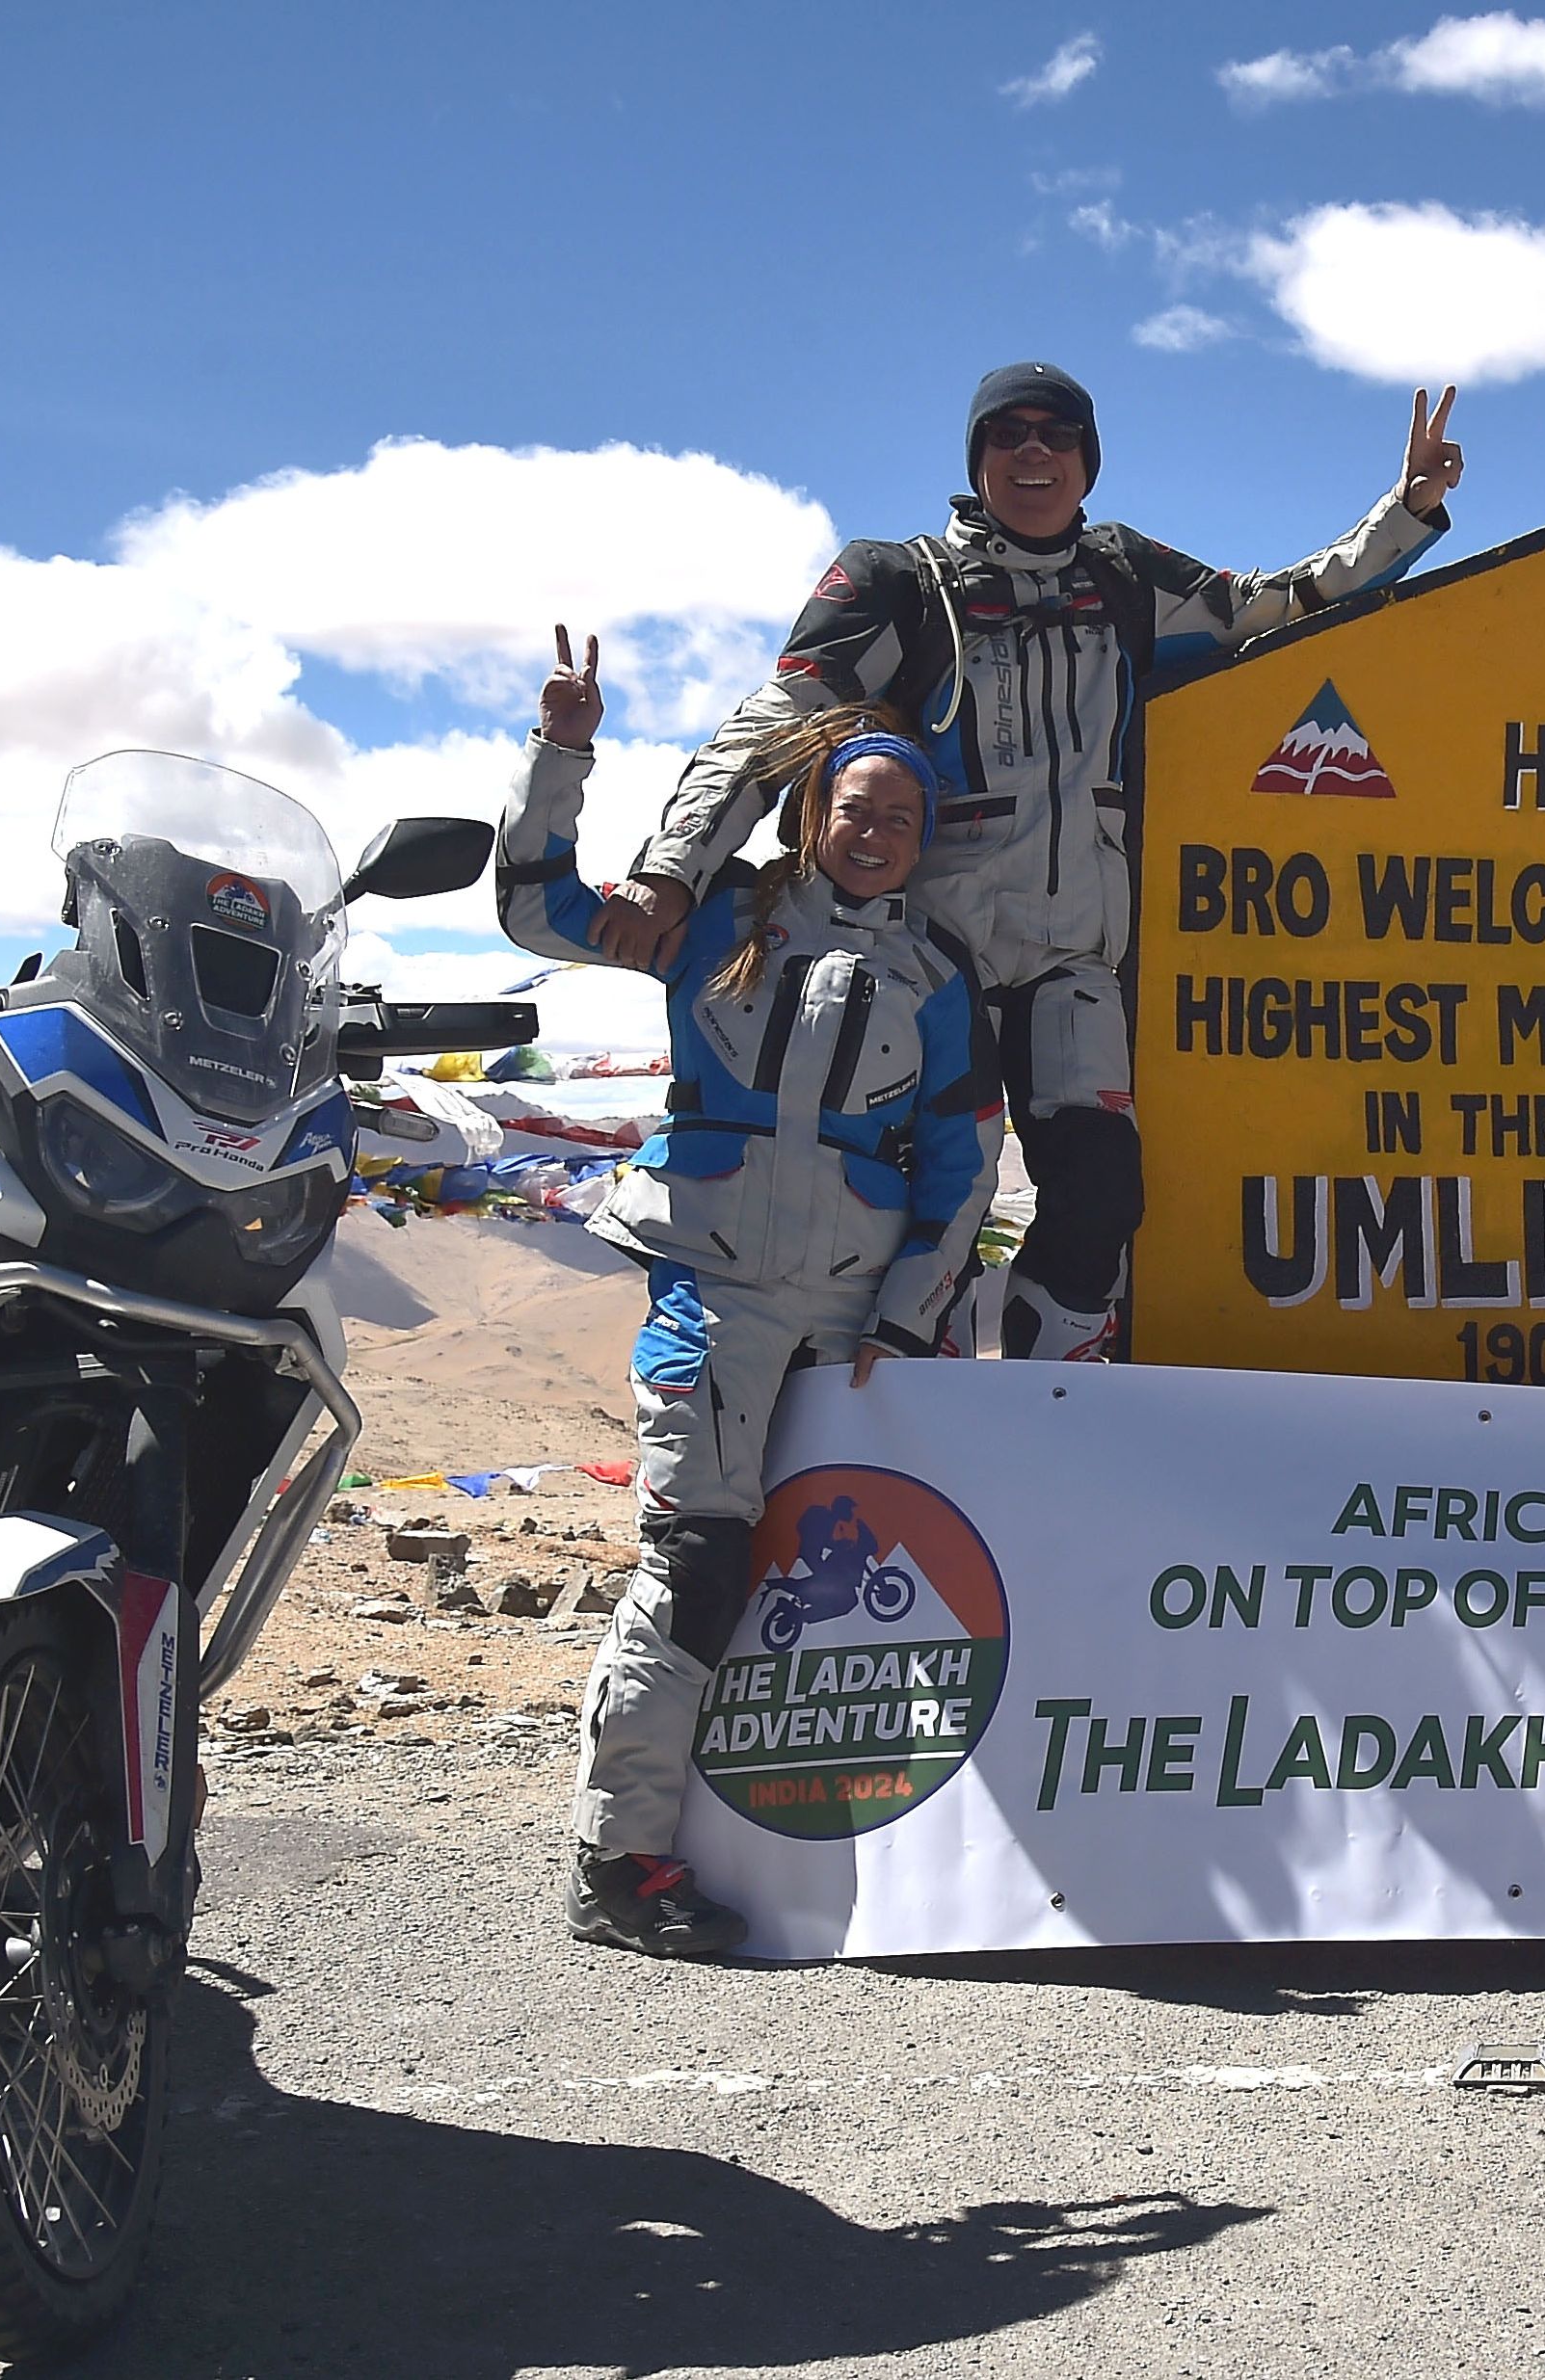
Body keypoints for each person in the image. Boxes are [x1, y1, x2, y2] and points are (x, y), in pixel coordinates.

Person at [591, 365, 1467, 1362]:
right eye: (1008, 434)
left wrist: (1406, 511)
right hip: (923, 962)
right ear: (977, 459)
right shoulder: (898, 582)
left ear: (1089, 461)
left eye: (1058, 434)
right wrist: (673, 866)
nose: (1034, 451)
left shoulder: (1126, 576)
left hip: (1077, 961)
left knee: (1102, 1197)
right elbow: (777, 723)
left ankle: (1048, 1396)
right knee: (922, 1203)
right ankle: (895, 1396)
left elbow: (1277, 606)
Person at [500, 627, 1003, 1957]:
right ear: (809, 812)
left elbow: (963, 1158)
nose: (879, 831)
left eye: (904, 814)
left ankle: (834, 1850)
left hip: (855, 1331)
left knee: (844, 1581)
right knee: (698, 1567)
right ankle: (622, 1864)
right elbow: (534, 906)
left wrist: (909, 1311)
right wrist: (563, 752)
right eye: (856, 808)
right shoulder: (711, 920)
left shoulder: (940, 975)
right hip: (710, 1301)